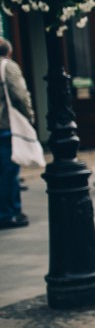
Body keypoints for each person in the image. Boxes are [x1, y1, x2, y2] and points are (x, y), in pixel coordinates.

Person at [0, 38, 33, 229]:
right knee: (9, 172)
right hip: (5, 126)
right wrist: (29, 118)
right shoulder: (7, 67)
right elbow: (20, 95)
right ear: (9, 52)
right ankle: (9, 213)